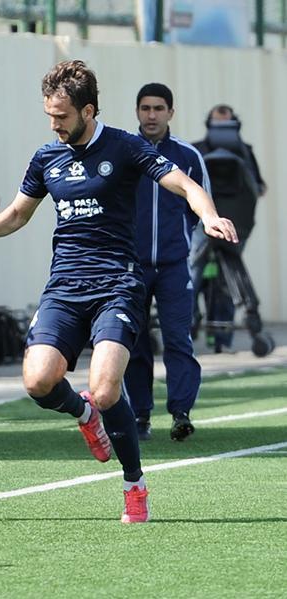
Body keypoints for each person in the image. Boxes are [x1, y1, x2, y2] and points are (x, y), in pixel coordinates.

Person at [0, 61, 237, 523]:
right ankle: (83, 415)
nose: (54, 125)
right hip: (64, 286)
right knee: (37, 382)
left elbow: (184, 184)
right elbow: (18, 214)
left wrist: (208, 216)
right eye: (49, 115)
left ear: (88, 111)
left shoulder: (125, 146)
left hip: (117, 284)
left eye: (61, 116)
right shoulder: (47, 157)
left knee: (105, 390)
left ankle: (134, 484)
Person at [123, 83, 209, 442]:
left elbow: (201, 204)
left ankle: (181, 413)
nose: (152, 115)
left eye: (159, 108)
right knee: (134, 341)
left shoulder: (188, 155)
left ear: (171, 112)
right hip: (132, 266)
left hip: (174, 266)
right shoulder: (125, 151)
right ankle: (140, 415)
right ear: (137, 111)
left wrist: (184, 240)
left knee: (178, 339)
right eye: (145, 108)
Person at [190, 104, 265, 352]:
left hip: (233, 223)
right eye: (218, 124)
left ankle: (222, 340)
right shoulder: (196, 150)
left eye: (227, 125)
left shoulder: (245, 152)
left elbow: (258, 186)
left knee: (226, 280)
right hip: (201, 223)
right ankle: (186, 324)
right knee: (192, 269)